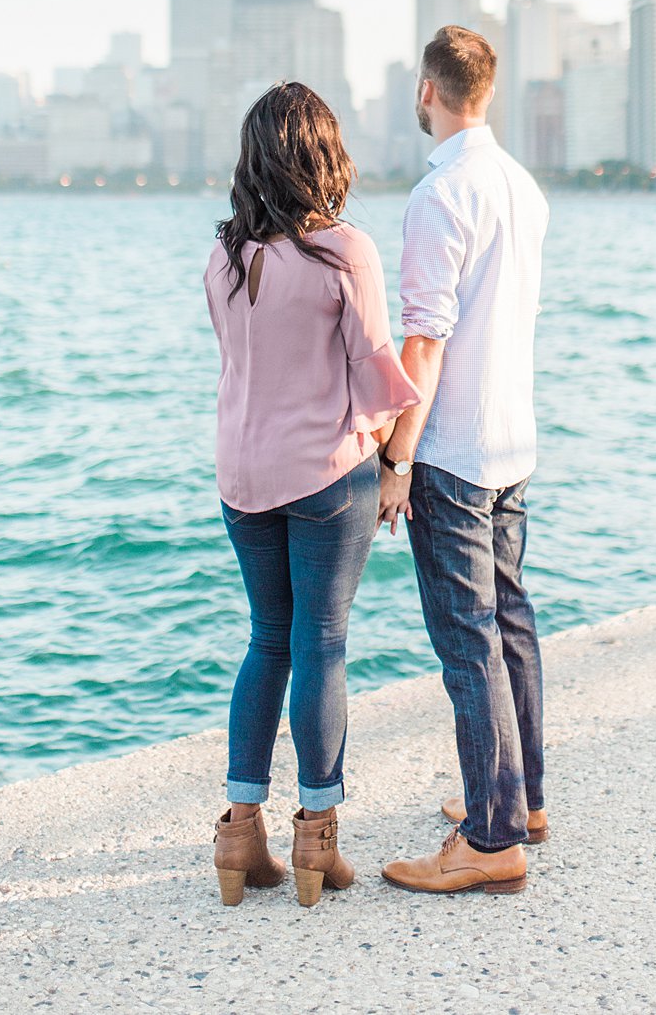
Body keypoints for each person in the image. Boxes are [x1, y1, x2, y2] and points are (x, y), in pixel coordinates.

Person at [205, 82, 419, 908]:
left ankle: (239, 834)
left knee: (268, 641)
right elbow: (373, 368)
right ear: (321, 156)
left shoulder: (221, 256)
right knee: (321, 643)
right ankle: (317, 841)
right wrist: (397, 452)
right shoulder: (344, 251)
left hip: (242, 478)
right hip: (328, 476)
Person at [378, 25, 550, 896]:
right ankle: (521, 803)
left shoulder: (439, 195)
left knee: (468, 641)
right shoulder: (523, 188)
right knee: (510, 622)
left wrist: (397, 457)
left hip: (452, 451)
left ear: (427, 90)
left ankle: (490, 841)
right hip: (513, 439)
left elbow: (425, 342)